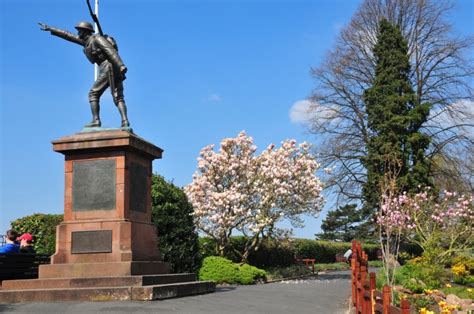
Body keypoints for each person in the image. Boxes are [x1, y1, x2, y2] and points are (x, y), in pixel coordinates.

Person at [38, 21, 130, 128]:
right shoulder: (86, 41)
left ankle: (96, 120)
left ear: (85, 32)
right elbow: (68, 35)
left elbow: (111, 51)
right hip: (112, 68)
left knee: (93, 94)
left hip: (109, 67)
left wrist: (121, 65)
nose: (78, 34)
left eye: (79, 31)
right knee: (118, 97)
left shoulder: (97, 39)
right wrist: (51, 29)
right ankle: (125, 121)